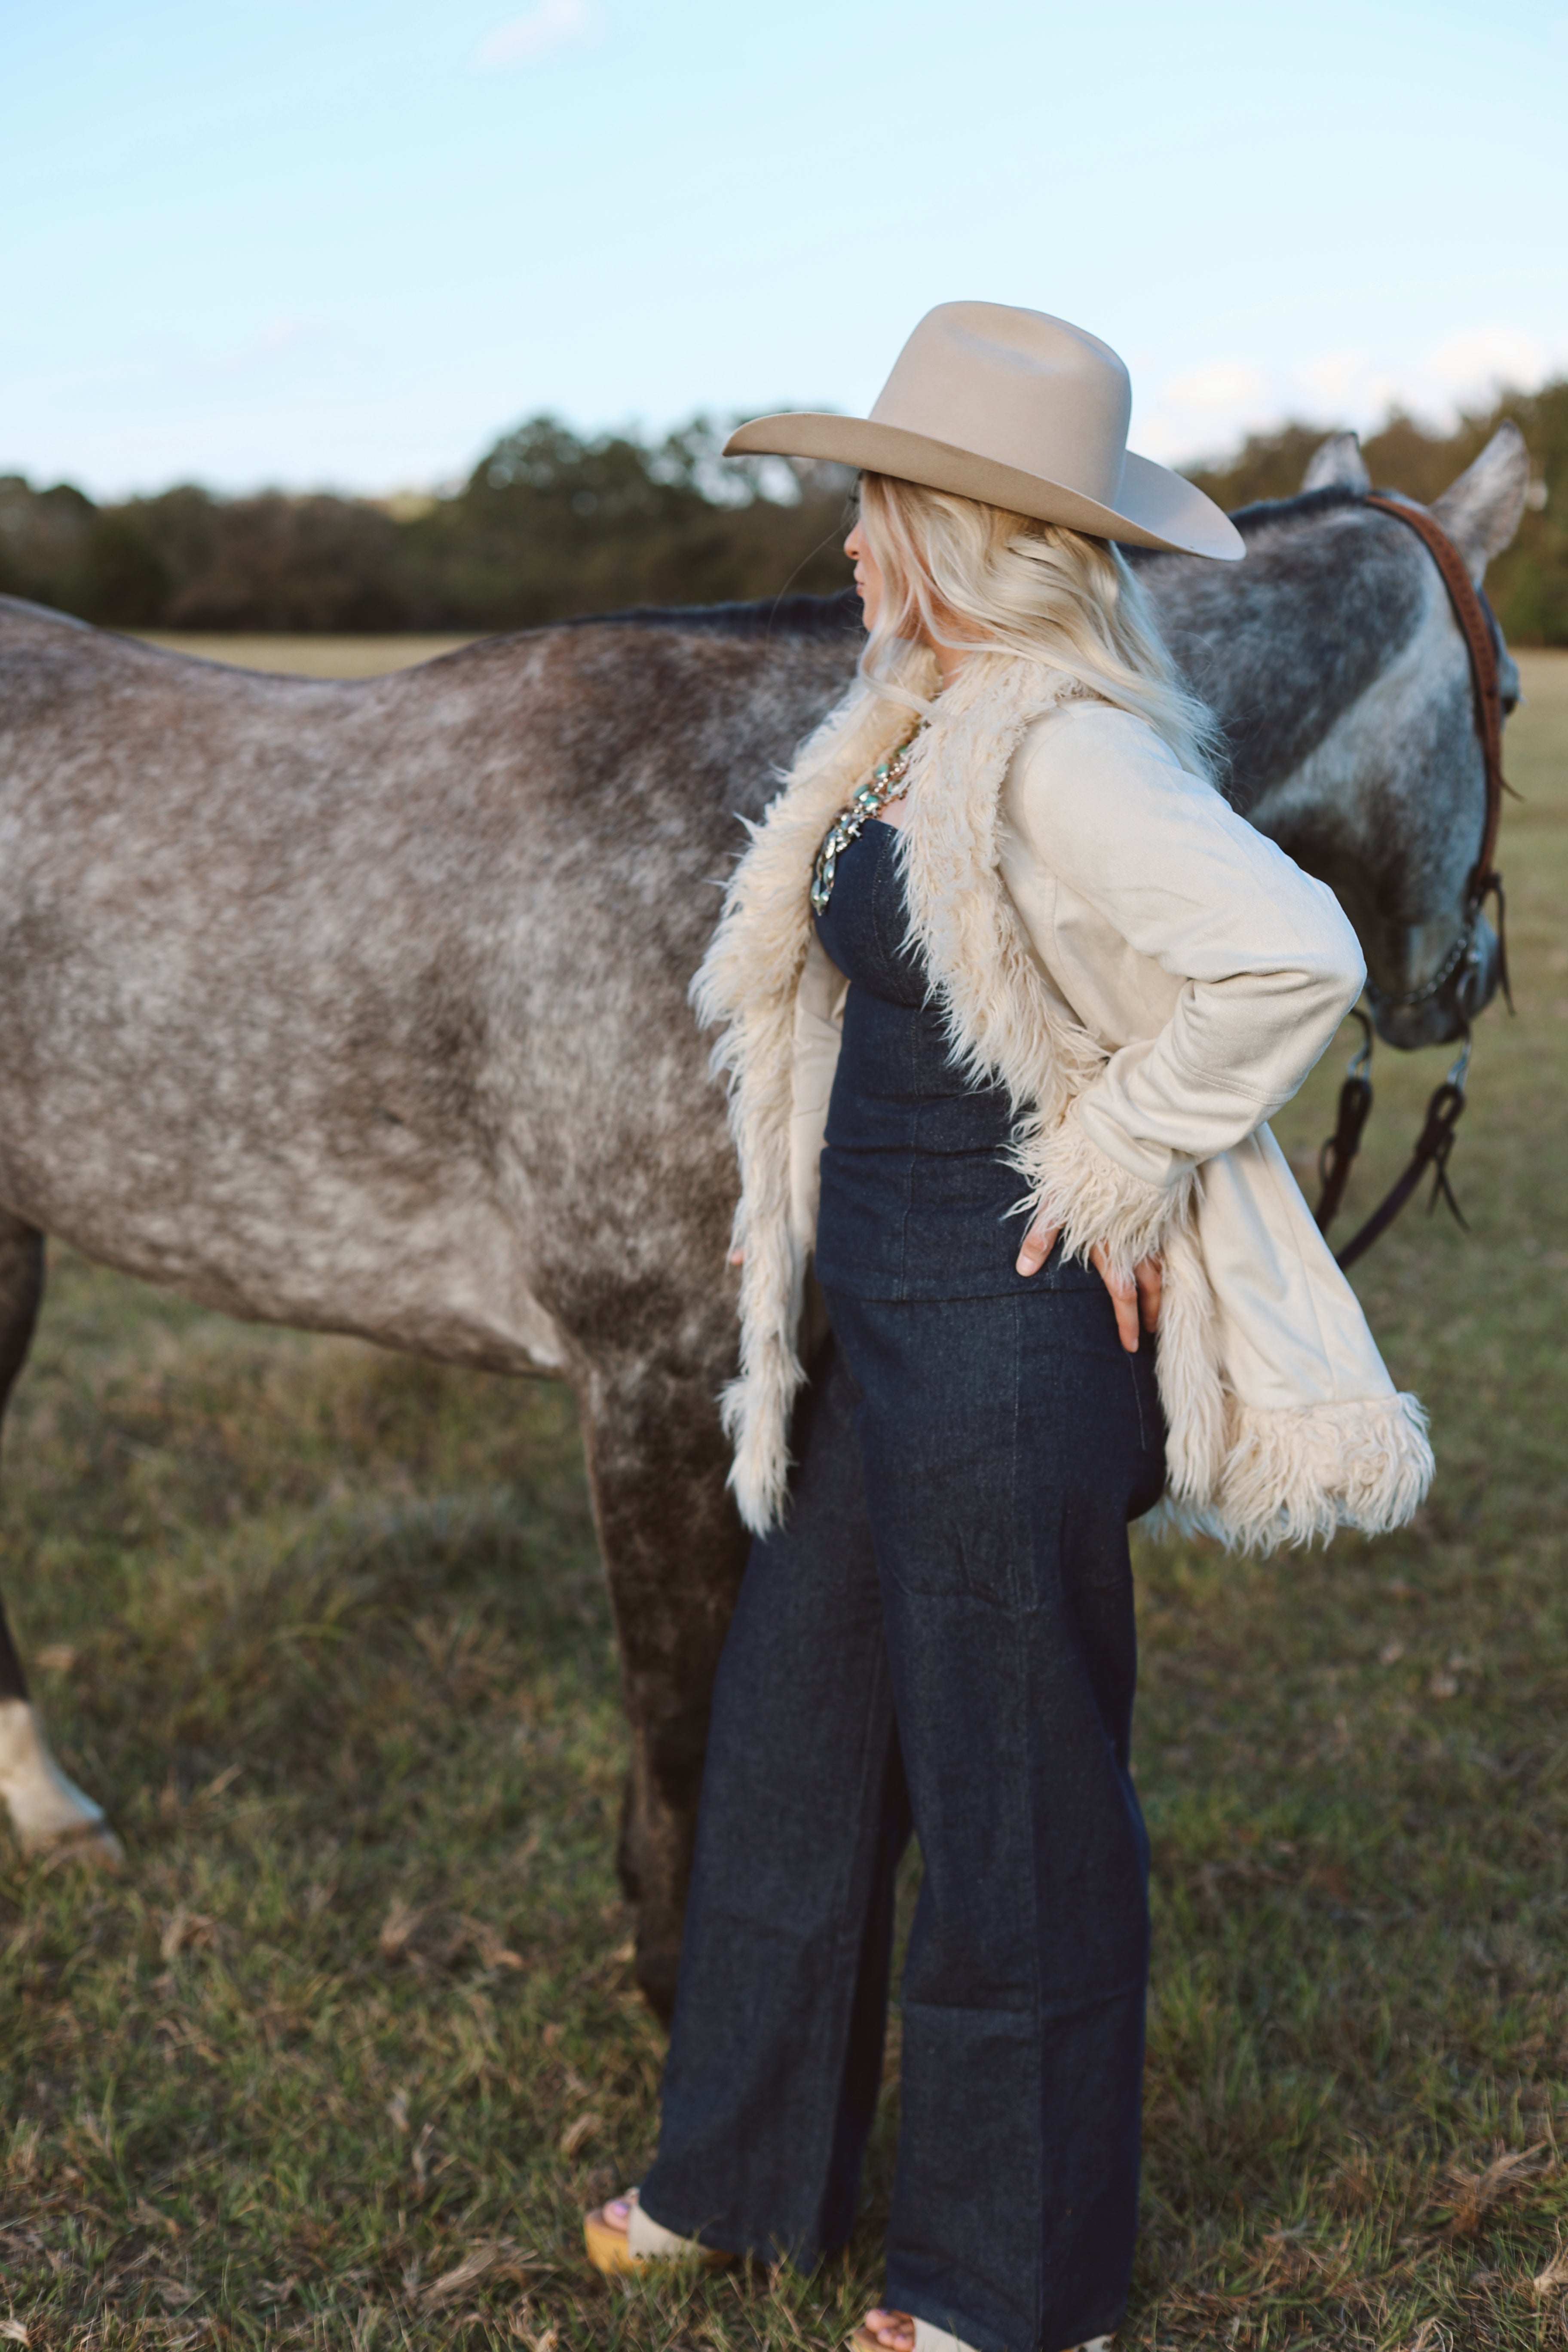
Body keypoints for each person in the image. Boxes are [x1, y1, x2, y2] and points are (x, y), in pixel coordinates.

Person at [581, 303, 1432, 2352]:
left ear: (959, 534)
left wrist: (1121, 1156)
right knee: (793, 1757)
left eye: (879, 511)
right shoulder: (919, 721)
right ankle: (737, 2181)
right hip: (872, 1318)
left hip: (1006, 1324)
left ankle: (1007, 2287)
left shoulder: (1063, 746)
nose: (854, 549)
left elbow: (1288, 951)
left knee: (1014, 1804)